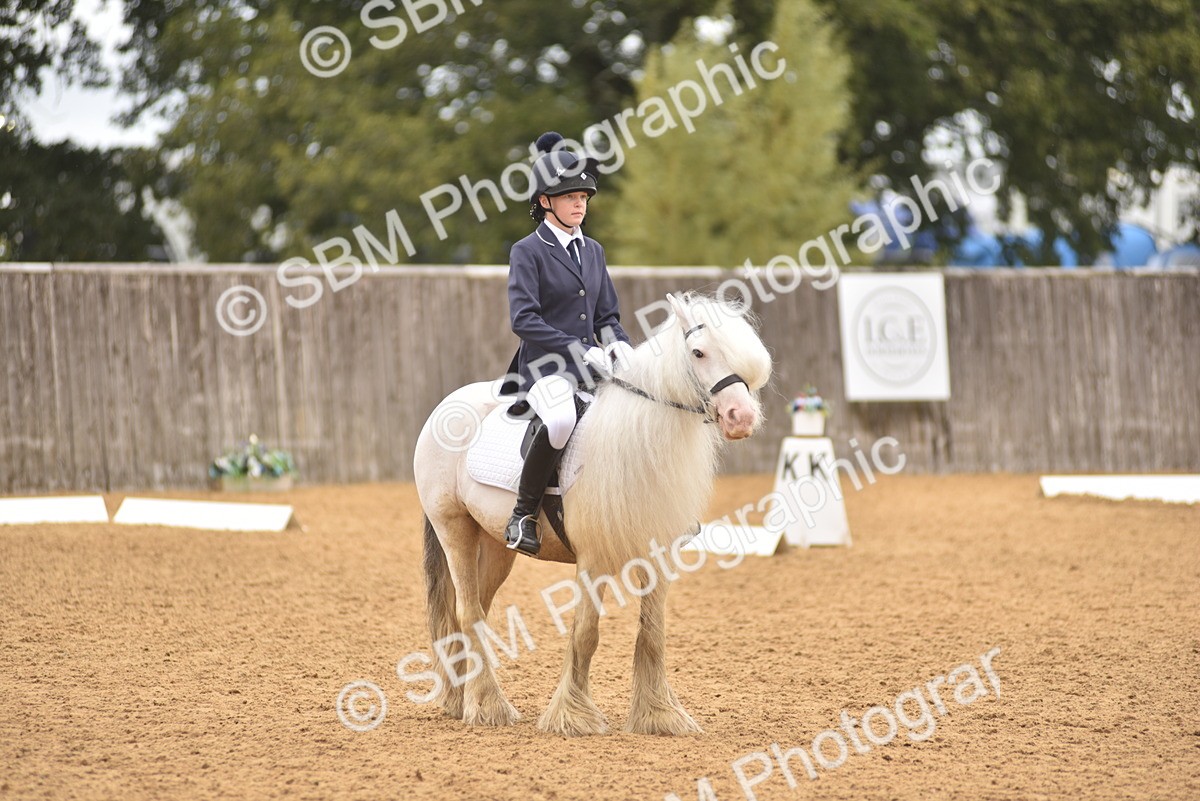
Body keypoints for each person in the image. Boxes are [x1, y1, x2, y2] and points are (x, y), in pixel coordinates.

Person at [500, 131, 634, 556]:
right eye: (570, 197)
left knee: (638, 412)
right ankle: (523, 514)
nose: (580, 204)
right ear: (544, 201)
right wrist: (580, 351)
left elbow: (607, 315)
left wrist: (617, 344)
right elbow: (524, 319)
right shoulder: (528, 251)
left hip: (594, 366)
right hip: (543, 368)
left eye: (583, 197)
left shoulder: (592, 250)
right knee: (559, 421)